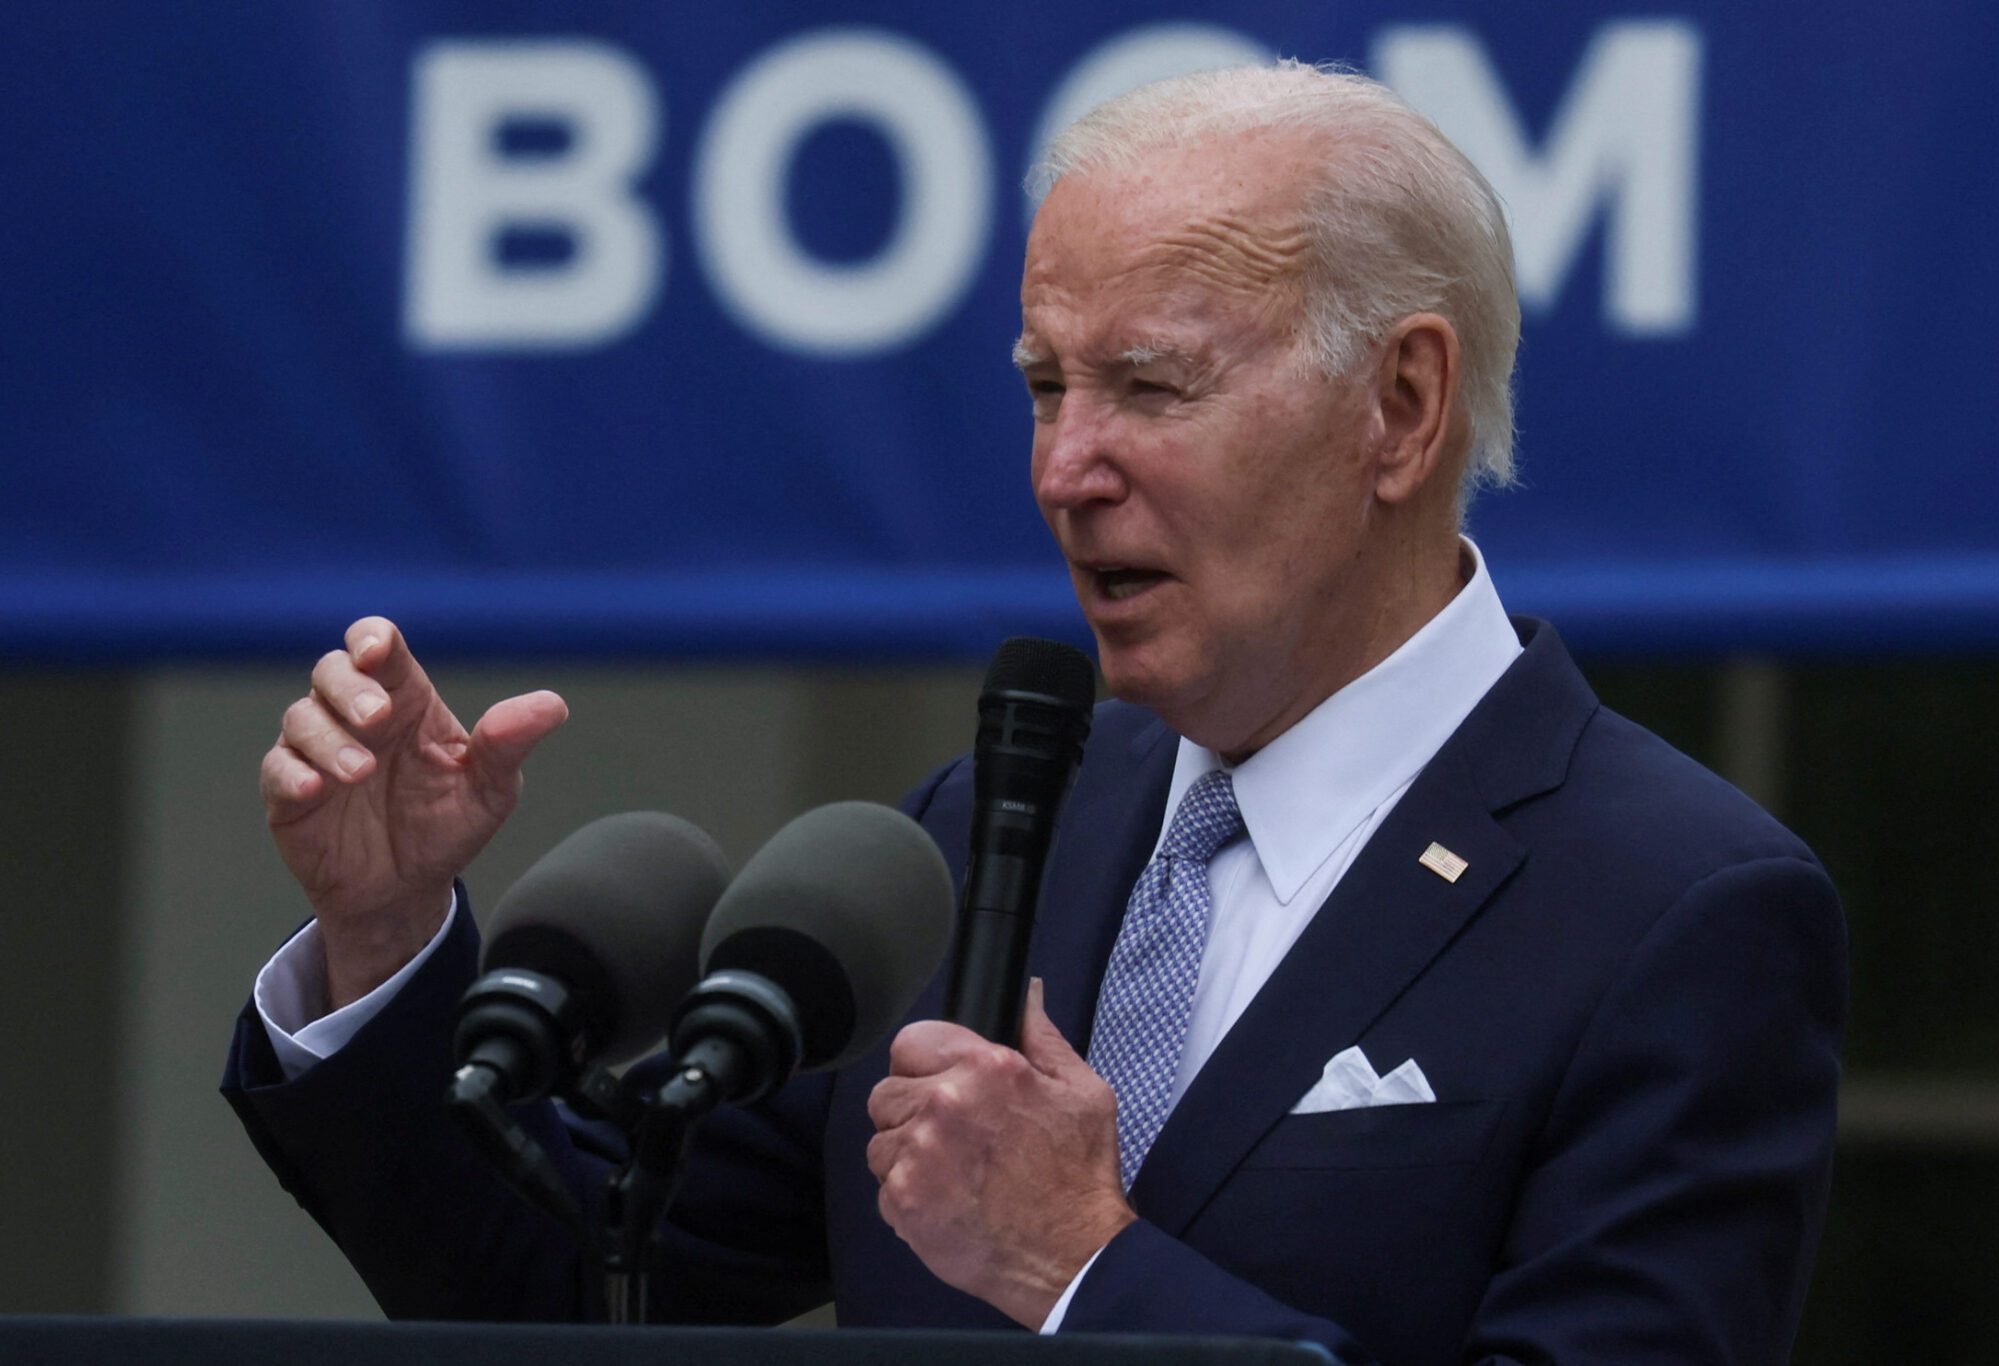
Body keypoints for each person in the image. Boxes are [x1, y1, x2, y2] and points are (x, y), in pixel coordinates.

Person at [226, 63, 1845, 1364]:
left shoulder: (1677, 907)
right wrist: (383, 937)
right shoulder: (982, 836)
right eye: (1042, 387)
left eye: (1150, 386)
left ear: (1400, 407)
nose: (1065, 468)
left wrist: (1086, 1266)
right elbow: (585, 1290)